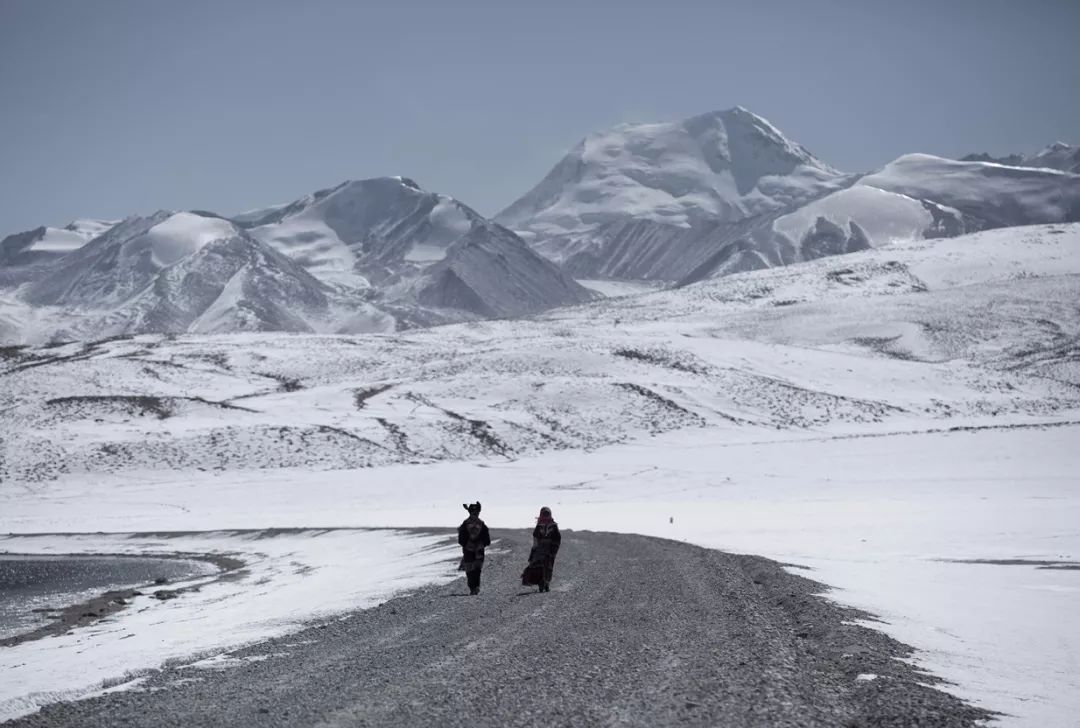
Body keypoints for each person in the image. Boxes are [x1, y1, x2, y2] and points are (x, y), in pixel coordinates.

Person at [521, 506, 561, 592]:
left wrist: (553, 549)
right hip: (544, 549)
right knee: (543, 566)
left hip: (546, 549)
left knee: (544, 566)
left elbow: (556, 539)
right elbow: (536, 538)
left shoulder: (547, 526)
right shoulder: (545, 526)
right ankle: (543, 583)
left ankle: (544, 583)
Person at [457, 502, 491, 595]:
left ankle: (474, 587)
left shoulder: (467, 524)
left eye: (476, 513)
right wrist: (478, 544)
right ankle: (474, 587)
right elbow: (487, 540)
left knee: (474, 570)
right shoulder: (479, 524)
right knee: (473, 570)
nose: (475, 515)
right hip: (474, 551)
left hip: (472, 551)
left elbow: (487, 539)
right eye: (475, 513)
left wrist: (471, 545)